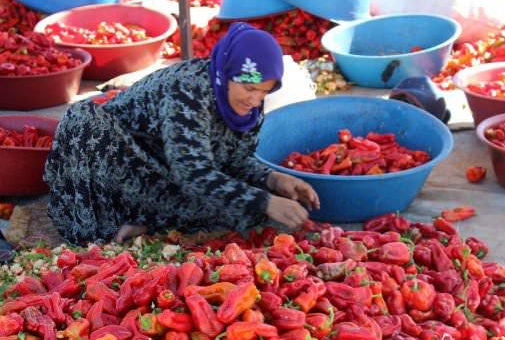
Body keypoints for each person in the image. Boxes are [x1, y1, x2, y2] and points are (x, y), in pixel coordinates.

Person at [44, 22, 320, 245]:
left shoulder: (249, 107)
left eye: (264, 91)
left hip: (164, 170)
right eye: (249, 89)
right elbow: (192, 172)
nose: (255, 101)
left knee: (242, 209)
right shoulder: (187, 92)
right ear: (227, 72)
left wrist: (272, 179)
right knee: (84, 120)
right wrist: (265, 202)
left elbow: (234, 160)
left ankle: (145, 220)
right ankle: (116, 221)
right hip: (117, 159)